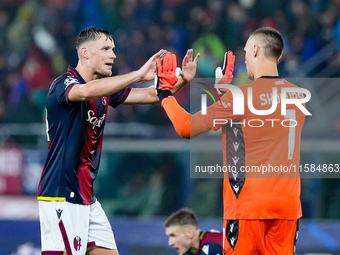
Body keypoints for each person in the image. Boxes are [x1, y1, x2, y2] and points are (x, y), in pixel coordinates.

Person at [37, 26, 199, 255]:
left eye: (113, 49)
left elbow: (149, 95)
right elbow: (84, 92)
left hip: (87, 197)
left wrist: (182, 81)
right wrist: (138, 75)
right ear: (85, 52)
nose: (113, 55)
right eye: (105, 49)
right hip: (61, 194)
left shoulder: (104, 89)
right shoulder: (62, 85)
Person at [156, 27, 306, 254]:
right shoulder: (297, 96)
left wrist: (165, 94)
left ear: (255, 50)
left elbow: (186, 127)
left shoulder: (242, 98)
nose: (244, 59)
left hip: (248, 206)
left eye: (246, 52)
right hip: (287, 207)